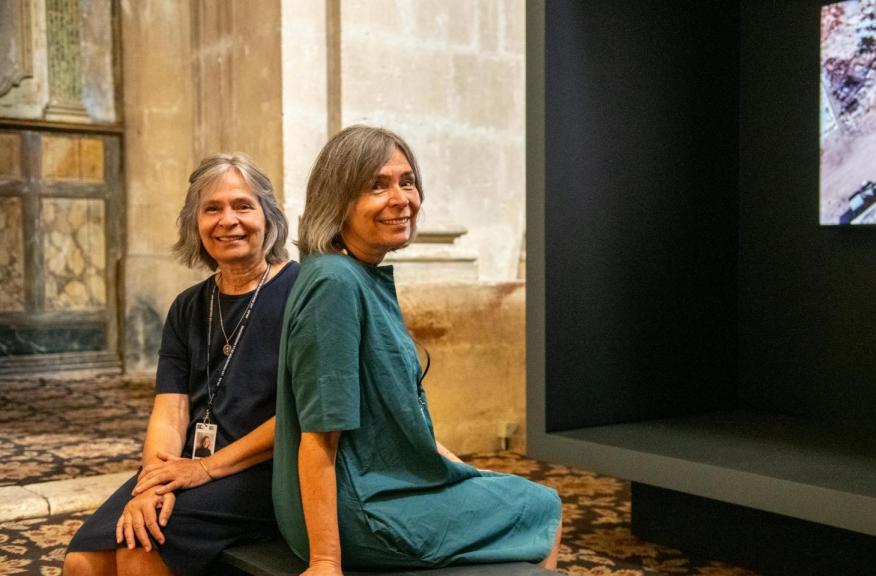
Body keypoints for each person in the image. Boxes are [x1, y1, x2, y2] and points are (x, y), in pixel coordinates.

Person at [273, 125, 562, 575]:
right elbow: (319, 436)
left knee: (494, 486)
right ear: (337, 200)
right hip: (362, 513)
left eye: (406, 181)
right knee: (541, 504)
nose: (401, 198)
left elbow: (395, 421)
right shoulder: (334, 282)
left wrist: (458, 469)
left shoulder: (351, 274)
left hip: (374, 492)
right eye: (376, 186)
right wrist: (326, 561)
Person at [63, 154, 300, 576]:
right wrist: (154, 481)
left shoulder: (300, 291)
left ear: (269, 216)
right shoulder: (189, 306)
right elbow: (170, 411)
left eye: (243, 206)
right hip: (184, 465)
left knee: (141, 551)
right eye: (212, 209)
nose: (228, 220)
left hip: (265, 470)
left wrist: (202, 469)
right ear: (195, 224)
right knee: (83, 563)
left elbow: (301, 415)